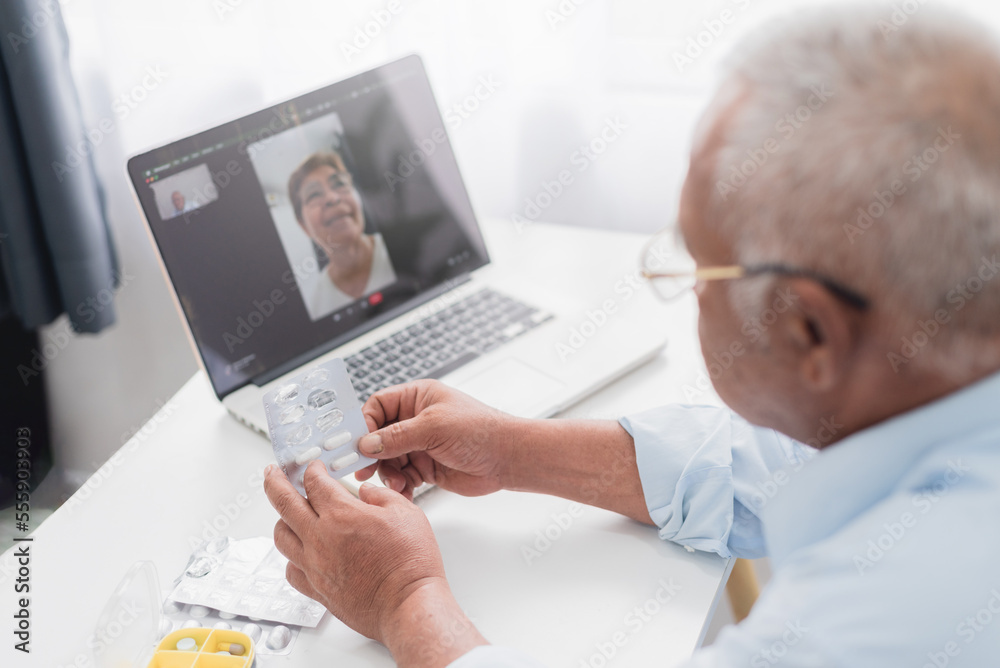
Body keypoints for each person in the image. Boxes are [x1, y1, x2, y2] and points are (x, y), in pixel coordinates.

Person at [263, 5, 1000, 667]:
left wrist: (403, 599)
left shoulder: (896, 615)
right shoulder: (941, 392)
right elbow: (778, 467)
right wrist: (511, 447)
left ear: (810, 333)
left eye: (696, 264)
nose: (685, 288)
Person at [287, 150, 396, 318]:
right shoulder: (316, 305)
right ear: (303, 226)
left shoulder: (400, 252)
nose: (332, 197)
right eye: (314, 194)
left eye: (339, 184)